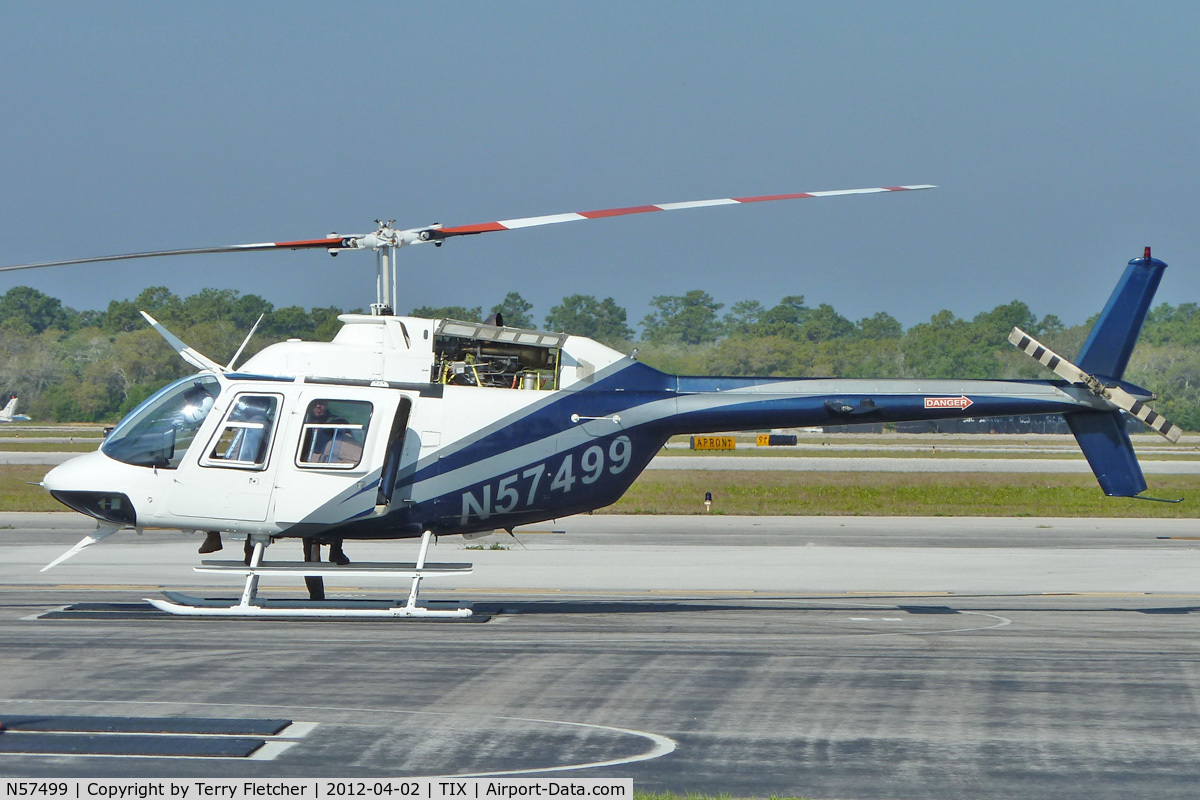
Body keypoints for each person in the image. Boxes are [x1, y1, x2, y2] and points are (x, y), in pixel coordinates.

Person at [303, 400, 351, 566]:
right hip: (306, 471)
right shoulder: (302, 419)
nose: (318, 407)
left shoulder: (335, 421)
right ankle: (311, 558)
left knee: (337, 512)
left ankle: (336, 550)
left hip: (329, 468)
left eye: (322, 404)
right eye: (316, 404)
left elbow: (344, 430)